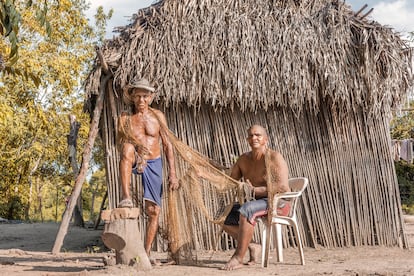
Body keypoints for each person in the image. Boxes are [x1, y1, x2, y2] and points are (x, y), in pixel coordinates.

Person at [117, 77, 179, 263]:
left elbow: (168, 145)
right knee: (127, 148)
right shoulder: (125, 118)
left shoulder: (158, 116)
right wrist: (137, 154)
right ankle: (126, 197)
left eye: (145, 96)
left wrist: (173, 173)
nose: (141, 100)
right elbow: (120, 142)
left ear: (151, 97)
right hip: (136, 160)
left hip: (154, 162)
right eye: (137, 96)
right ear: (132, 98)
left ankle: (146, 252)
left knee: (153, 211)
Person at [222, 124, 290, 270]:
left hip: (278, 203)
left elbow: (284, 188)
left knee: (247, 209)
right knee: (223, 215)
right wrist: (206, 171)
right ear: (247, 139)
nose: (254, 138)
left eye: (258, 135)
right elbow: (230, 181)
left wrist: (257, 190)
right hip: (256, 203)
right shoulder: (243, 159)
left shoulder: (274, 157)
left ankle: (238, 258)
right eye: (251, 135)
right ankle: (253, 245)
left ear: (265, 139)